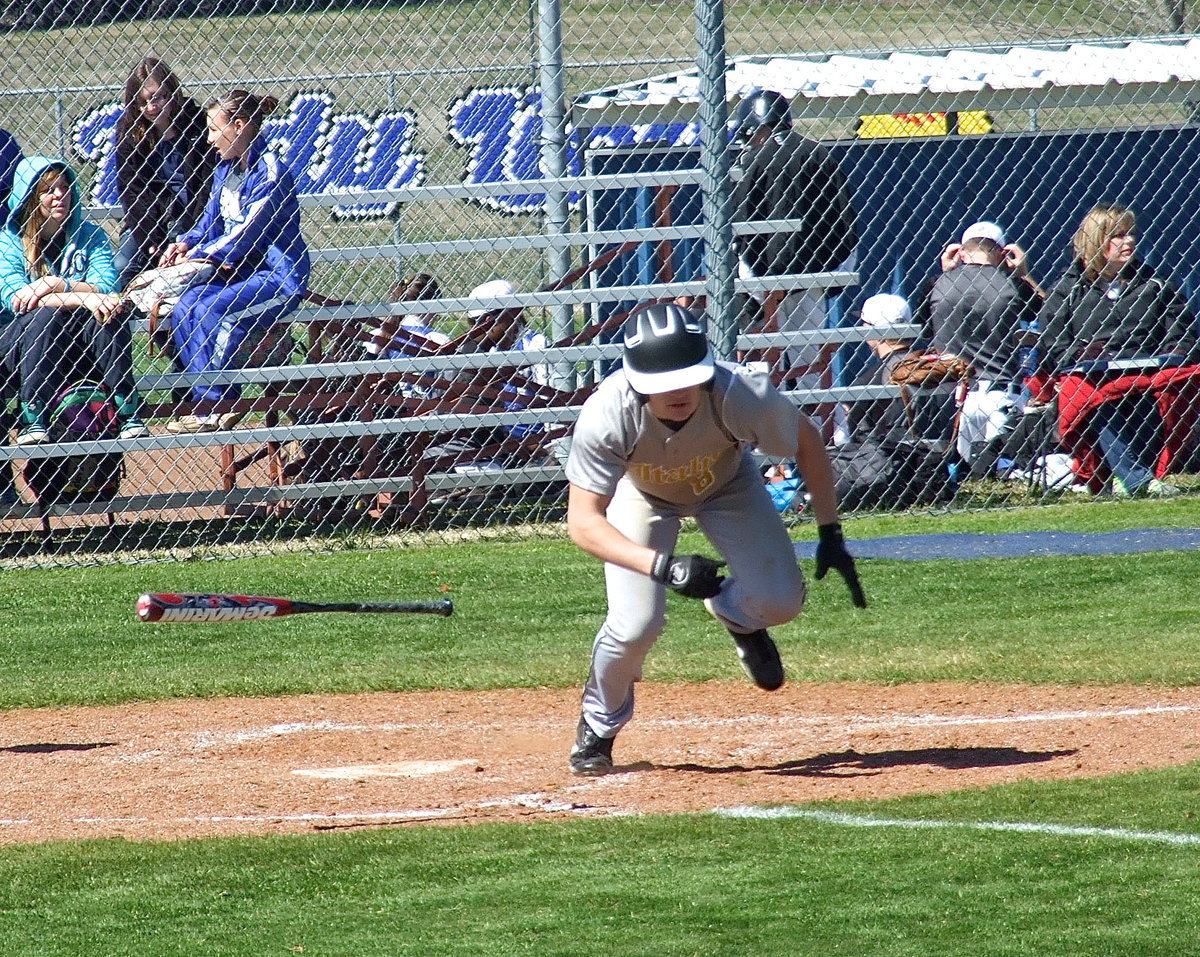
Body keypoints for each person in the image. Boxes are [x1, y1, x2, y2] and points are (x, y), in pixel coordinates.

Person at [564, 300, 866, 775]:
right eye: (662, 383)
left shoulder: (739, 391)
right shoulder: (607, 412)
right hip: (641, 493)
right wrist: (662, 567)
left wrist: (830, 530)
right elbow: (583, 522)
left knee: (781, 602)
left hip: (728, 484)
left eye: (688, 377)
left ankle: (736, 615)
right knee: (635, 625)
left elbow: (807, 441)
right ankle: (599, 726)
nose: (678, 391)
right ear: (637, 383)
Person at [159, 88, 310, 434]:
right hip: (239, 275)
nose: (209, 139)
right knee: (186, 306)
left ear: (239, 126)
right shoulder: (225, 170)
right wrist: (185, 243)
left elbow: (246, 233)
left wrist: (198, 254)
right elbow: (209, 224)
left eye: (215, 129)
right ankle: (206, 404)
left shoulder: (270, 171)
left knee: (213, 310)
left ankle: (217, 405)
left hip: (278, 278)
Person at [1035, 203, 1198, 497]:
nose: (1129, 241)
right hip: (1093, 376)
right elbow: (1052, 345)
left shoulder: (1153, 283)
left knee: (1173, 383)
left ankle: (1132, 477)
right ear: (1097, 240)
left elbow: (1183, 331)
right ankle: (1135, 479)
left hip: (1147, 369)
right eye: (1118, 235)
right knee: (1095, 396)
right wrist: (1083, 355)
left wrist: (1169, 353)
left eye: (1130, 233)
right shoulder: (1068, 288)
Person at [0, 156, 146, 443]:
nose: (59, 196)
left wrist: (57, 284)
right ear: (30, 197)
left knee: (109, 310)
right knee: (47, 314)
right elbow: (17, 299)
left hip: (79, 342)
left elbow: (109, 286)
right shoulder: (8, 242)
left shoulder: (90, 235)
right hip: (20, 345)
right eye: (48, 190)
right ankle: (33, 414)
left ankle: (126, 408)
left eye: (64, 187)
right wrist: (85, 298)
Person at [731, 89, 857, 392]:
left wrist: (751, 281)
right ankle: (818, 416)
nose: (749, 141)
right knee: (810, 362)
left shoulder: (754, 159)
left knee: (762, 364)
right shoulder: (818, 152)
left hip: (763, 279)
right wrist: (835, 273)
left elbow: (740, 225)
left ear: (756, 126)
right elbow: (845, 221)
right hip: (813, 276)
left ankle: (765, 415)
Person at [930, 220, 1045, 471]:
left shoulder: (939, 284)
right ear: (1003, 254)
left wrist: (946, 272)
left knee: (962, 472)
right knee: (1004, 470)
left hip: (954, 392)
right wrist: (1023, 273)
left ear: (962, 253)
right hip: (1000, 391)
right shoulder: (1012, 284)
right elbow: (1049, 314)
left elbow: (924, 326)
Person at [113, 56, 216, 292]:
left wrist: (189, 236)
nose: (151, 108)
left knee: (186, 274)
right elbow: (131, 191)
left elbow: (207, 184)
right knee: (122, 266)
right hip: (151, 220)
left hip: (194, 216)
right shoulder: (129, 131)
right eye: (142, 102)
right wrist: (151, 239)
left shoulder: (197, 123)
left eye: (157, 98)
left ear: (171, 92)